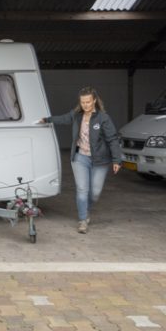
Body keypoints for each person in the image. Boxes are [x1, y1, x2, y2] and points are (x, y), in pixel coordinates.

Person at [37, 86, 123, 234]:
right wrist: (46, 119)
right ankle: (83, 220)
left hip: (100, 160)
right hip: (80, 158)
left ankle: (86, 209)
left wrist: (117, 160)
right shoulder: (76, 115)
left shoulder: (103, 118)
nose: (85, 105)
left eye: (88, 102)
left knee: (95, 193)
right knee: (82, 190)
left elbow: (112, 139)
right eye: (83, 102)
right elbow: (63, 118)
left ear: (94, 101)